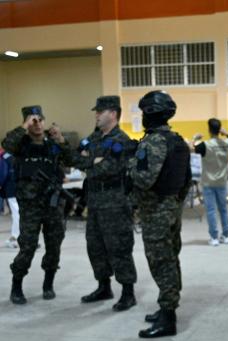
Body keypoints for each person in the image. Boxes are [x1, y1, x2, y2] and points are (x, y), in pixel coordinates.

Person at [129, 90, 191, 338]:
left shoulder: (152, 142)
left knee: (161, 262)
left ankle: (168, 318)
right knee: (171, 259)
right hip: (172, 209)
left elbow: (144, 179)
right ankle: (167, 307)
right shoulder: (178, 141)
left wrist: (130, 168)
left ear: (149, 115)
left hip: (155, 213)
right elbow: (186, 180)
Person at [2, 105, 73, 304]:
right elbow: (6, 144)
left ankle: (48, 284)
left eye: (41, 119)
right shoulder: (21, 144)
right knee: (28, 246)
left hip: (52, 204)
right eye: (34, 120)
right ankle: (17, 286)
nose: (38, 124)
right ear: (26, 122)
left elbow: (71, 158)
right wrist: (24, 126)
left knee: (54, 246)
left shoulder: (52, 144)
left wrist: (61, 139)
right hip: (30, 205)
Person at [74, 96, 138, 311]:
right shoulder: (95, 138)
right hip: (94, 202)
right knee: (95, 246)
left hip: (115, 203)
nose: (96, 115)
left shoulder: (122, 140)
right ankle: (104, 287)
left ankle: (128, 293)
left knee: (119, 247)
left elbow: (109, 169)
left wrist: (90, 163)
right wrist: (93, 162)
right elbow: (78, 159)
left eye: (100, 111)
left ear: (113, 113)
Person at [192, 118, 228, 246]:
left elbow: (189, 147)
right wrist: (225, 132)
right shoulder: (227, 143)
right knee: (223, 209)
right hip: (221, 182)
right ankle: (226, 236)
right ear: (219, 129)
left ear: (209, 130)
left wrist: (195, 137)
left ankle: (214, 237)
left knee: (211, 210)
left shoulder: (205, 145)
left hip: (208, 183)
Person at [0, 150, 20, 249]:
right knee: (19, 212)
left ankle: (15, 237)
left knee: (16, 213)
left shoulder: (2, 158)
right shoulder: (11, 156)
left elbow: (2, 173)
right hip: (20, 188)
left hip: (11, 189)